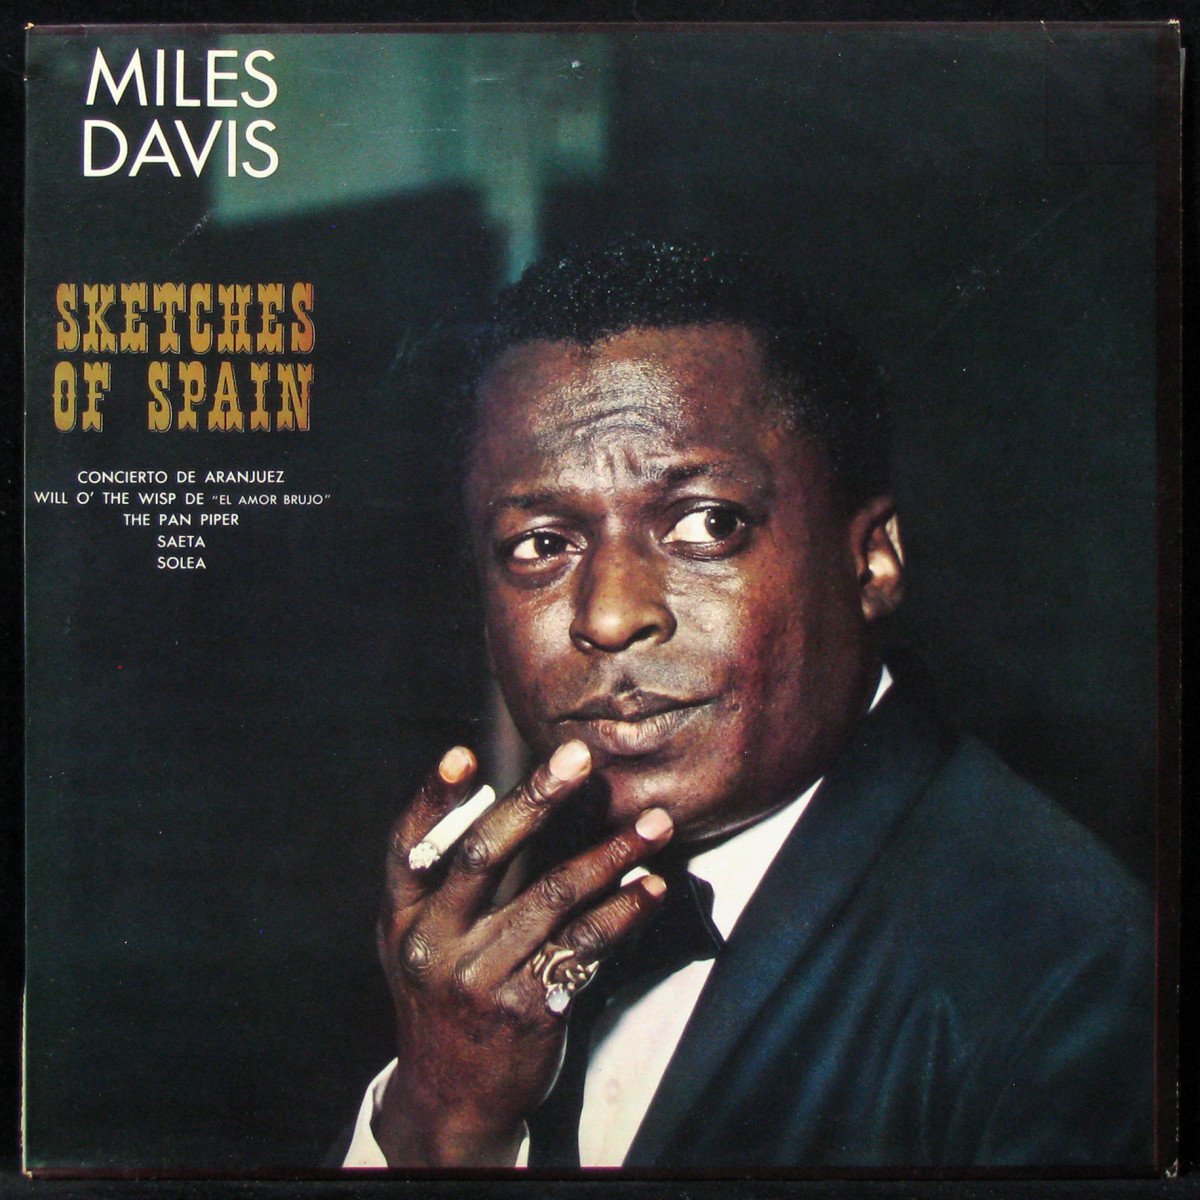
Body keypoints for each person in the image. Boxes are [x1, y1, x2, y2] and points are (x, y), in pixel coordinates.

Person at [336, 239, 1154, 1171]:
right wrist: (440, 1115)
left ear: (871, 561)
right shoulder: (514, 929)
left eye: (707, 524)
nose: (609, 616)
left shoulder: (1068, 976)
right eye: (540, 544)